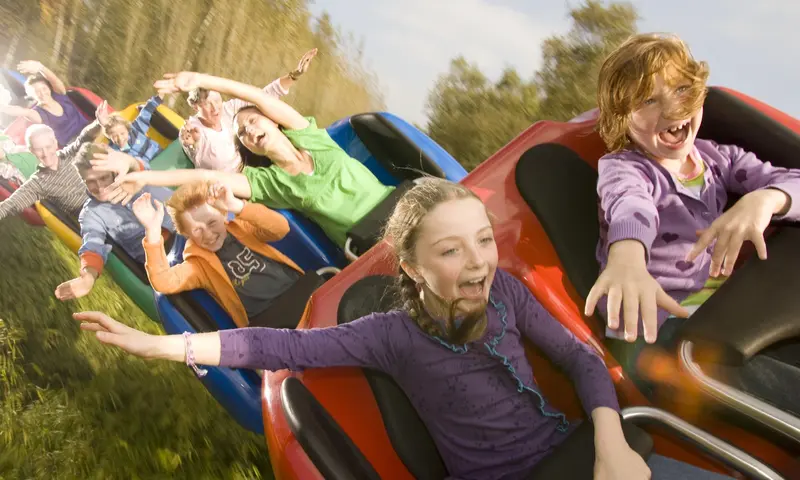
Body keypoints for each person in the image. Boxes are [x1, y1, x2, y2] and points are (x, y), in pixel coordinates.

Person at [76, 179, 730, 480]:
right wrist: (160, 344)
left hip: (590, 454)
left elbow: (582, 362)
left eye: (483, 240)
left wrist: (611, 445)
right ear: (412, 267)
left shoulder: (505, 288)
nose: (478, 262)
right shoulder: (389, 334)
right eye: (453, 252)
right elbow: (274, 345)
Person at [584, 33, 800, 401]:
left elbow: (792, 180)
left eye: (682, 89)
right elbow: (630, 207)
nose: (672, 109)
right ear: (622, 118)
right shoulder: (626, 170)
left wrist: (767, 199)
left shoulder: (718, 159)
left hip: (721, 313)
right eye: (649, 100)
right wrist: (627, 258)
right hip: (655, 336)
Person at [105, 70, 394, 248]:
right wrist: (144, 176)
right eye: (241, 133)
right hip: (369, 242)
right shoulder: (269, 183)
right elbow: (206, 177)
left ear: (273, 121)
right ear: (248, 149)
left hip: (398, 206)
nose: (250, 131)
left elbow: (259, 96)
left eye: (254, 121)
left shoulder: (310, 137)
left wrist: (201, 79)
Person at [131, 181, 313, 328]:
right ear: (186, 234)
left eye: (212, 223)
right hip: (271, 322)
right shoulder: (198, 265)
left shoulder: (242, 228)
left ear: (223, 214)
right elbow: (164, 282)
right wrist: (153, 232)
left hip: (299, 291)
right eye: (197, 230)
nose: (209, 235)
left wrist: (237, 206)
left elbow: (280, 228)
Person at [54, 144, 174, 301]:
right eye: (90, 181)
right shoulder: (92, 214)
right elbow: (93, 246)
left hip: (186, 230)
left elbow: (137, 164)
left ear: (114, 172)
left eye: (103, 178)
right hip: (162, 256)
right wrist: (87, 278)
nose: (100, 187)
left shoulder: (133, 177)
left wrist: (128, 163)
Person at [180, 48, 317, 172]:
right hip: (232, 185)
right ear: (195, 106)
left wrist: (295, 75)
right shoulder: (192, 130)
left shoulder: (229, 109)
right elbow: (200, 155)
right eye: (207, 104)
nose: (215, 108)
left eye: (217, 101)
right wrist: (194, 145)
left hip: (253, 167)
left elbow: (264, 96)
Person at [0, 102, 107, 223]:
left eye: (48, 146)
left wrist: (98, 123)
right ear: (32, 151)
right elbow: (10, 204)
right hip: (96, 219)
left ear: (55, 143)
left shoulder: (68, 154)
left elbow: (84, 138)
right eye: (39, 149)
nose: (45, 153)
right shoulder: (38, 183)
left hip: (112, 198)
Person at [0, 60, 90, 147]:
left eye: (44, 88)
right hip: (75, 143)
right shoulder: (38, 113)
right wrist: (2, 108)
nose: (42, 93)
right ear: (32, 95)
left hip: (88, 129)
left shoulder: (59, 95)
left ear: (49, 88)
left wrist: (40, 67)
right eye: (37, 91)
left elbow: (54, 80)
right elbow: (21, 111)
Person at [99, 93, 165, 164]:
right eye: (115, 136)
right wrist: (103, 124)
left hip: (160, 155)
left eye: (122, 133)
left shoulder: (135, 129)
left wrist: (158, 98)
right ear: (109, 137)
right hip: (149, 170)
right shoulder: (113, 151)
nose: (120, 138)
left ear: (127, 129)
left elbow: (146, 112)